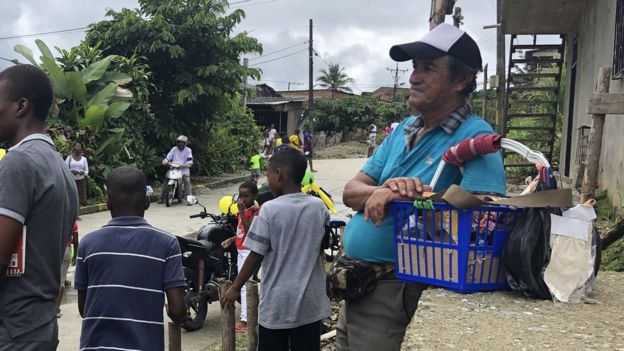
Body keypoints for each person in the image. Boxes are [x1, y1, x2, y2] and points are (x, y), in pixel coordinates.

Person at [336, 23, 506, 351]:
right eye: (414, 67)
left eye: (428, 68)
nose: (414, 77)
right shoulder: (402, 131)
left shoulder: (475, 138)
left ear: (462, 80)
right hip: (357, 284)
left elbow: (485, 215)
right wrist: (386, 190)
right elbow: (350, 192)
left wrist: (416, 195)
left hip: (396, 291)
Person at [221, 146, 331, 351]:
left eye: (268, 174)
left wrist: (235, 287)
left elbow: (255, 255)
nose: (267, 180)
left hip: (278, 306)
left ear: (279, 175)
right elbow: (321, 245)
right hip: (310, 305)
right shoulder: (318, 207)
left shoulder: (270, 210)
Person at [0, 64, 78, 349]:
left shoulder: (18, 162)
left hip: (12, 326)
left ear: (21, 106)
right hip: (41, 322)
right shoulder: (58, 166)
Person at [75, 166, 186, 350]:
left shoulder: (88, 244)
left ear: (108, 203)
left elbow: (84, 309)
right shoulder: (167, 244)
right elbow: (177, 310)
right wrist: (181, 314)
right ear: (147, 202)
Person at [220, 180, 260, 333]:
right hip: (241, 249)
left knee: (244, 285)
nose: (243, 199)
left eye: (246, 196)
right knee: (242, 283)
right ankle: (246, 316)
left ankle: (246, 319)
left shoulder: (255, 211)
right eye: (240, 196)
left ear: (254, 196)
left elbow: (250, 230)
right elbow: (241, 232)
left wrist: (242, 212)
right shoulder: (242, 211)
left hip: (248, 251)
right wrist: (231, 239)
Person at [159, 135, 193, 204]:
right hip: (174, 169)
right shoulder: (174, 149)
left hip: (184, 170)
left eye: (182, 143)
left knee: (187, 181)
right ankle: (161, 198)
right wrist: (165, 161)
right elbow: (168, 157)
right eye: (179, 142)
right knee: (166, 180)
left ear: (185, 143)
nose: (180, 144)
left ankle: (189, 199)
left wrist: (184, 165)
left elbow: (190, 162)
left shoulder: (188, 150)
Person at [55, 222, 79, 318]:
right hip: (66, 251)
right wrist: (74, 256)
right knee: (61, 280)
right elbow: (76, 242)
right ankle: (56, 309)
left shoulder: (54, 218)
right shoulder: (73, 223)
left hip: (52, 250)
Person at [66, 141, 89, 206]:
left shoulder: (84, 159)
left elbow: (87, 171)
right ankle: (73, 213)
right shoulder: (69, 158)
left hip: (80, 181)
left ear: (81, 149)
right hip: (71, 181)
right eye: (76, 146)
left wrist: (83, 173)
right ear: (73, 148)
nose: (77, 148)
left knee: (79, 198)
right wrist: (71, 171)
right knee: (72, 197)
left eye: (79, 147)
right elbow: (65, 169)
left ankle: (77, 214)